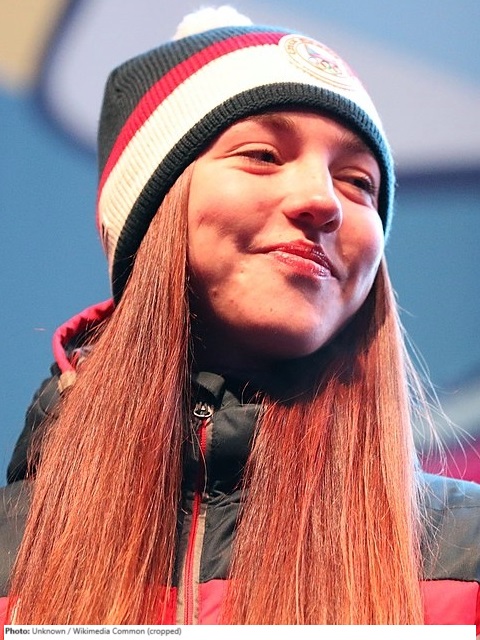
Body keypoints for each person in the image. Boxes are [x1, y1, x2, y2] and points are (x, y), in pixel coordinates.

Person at [1, 5, 480, 627]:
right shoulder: (12, 555)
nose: (322, 200)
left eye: (358, 181)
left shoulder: (465, 552)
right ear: (152, 213)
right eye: (262, 155)